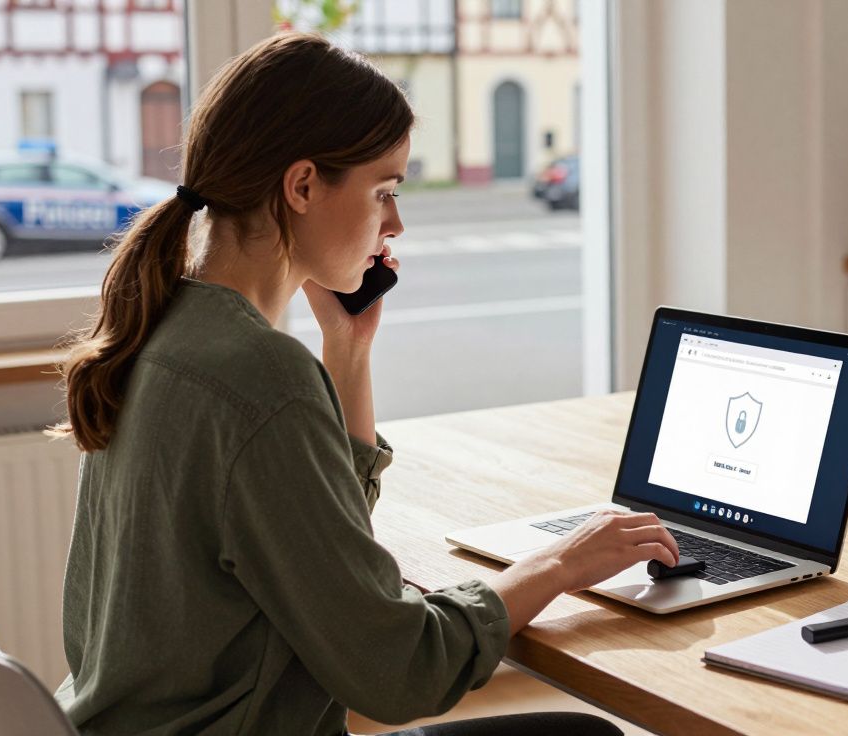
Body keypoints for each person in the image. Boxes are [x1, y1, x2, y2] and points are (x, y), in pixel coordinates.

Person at [49, 32, 678, 736]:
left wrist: (347, 350)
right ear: (303, 185)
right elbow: (402, 668)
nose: (395, 223)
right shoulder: (259, 376)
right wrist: (561, 562)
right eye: (383, 191)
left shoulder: (167, 326)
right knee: (582, 732)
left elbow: (321, 540)